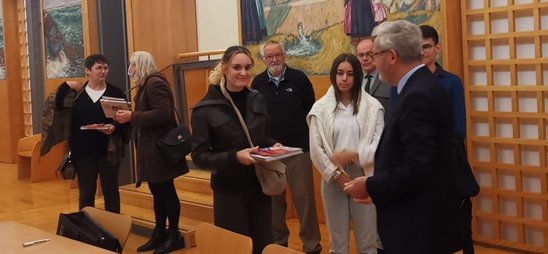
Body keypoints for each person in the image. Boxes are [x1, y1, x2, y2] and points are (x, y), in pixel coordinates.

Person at [343, 20, 464, 254]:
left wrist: (370, 185)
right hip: (414, 215)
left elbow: (418, 169)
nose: (373, 62)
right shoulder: (414, 87)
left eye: (375, 54)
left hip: (418, 226)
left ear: (392, 56)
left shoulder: (418, 94)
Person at [190, 46, 280, 254]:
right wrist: (235, 157)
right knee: (235, 247)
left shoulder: (256, 98)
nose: (243, 73)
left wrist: (273, 144)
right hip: (229, 191)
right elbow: (199, 157)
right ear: (224, 69)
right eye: (237, 67)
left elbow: (260, 137)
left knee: (263, 245)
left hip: (259, 186)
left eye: (248, 67)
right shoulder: (204, 109)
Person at [307, 53, 384, 254]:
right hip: (333, 178)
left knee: (368, 242)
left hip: (364, 177)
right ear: (334, 75)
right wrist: (339, 176)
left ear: (357, 76)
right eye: (340, 73)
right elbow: (316, 149)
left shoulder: (373, 107)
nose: (344, 79)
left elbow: (379, 144)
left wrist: (353, 155)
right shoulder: (320, 108)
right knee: (338, 244)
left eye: (350, 74)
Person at [250, 40, 322, 254]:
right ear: (263, 60)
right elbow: (254, 117)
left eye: (278, 54)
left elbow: (312, 111)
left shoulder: (299, 79)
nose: (275, 59)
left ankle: (311, 245)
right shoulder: (258, 83)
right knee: (273, 203)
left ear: (284, 55)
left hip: (298, 150)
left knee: (305, 201)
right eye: (270, 56)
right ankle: (278, 244)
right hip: (269, 153)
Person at [114, 51, 188, 254]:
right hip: (152, 148)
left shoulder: (155, 83)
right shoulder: (147, 84)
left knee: (166, 192)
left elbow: (162, 114)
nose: (129, 69)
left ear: (141, 65)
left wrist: (132, 116)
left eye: (132, 65)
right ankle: (159, 232)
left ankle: (173, 234)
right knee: (158, 192)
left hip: (160, 149)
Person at [420, 24, 475, 254]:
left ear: (437, 48)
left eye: (426, 46)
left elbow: (459, 129)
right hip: (419, 163)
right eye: (417, 48)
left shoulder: (451, 82)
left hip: (448, 161)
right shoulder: (404, 83)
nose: (422, 52)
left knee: (458, 221)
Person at [52, 54, 127, 213]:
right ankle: (86, 230)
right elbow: (58, 105)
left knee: (111, 192)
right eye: (98, 68)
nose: (103, 71)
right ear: (88, 71)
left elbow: (126, 119)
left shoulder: (116, 92)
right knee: (86, 193)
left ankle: (113, 229)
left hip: (109, 151)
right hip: (83, 152)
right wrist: (66, 85)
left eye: (105, 67)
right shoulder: (78, 93)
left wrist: (114, 127)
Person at [356, 37, 391, 121]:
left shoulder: (389, 78)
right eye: (361, 55)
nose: (364, 58)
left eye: (369, 54)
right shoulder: (354, 80)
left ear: (377, 54)